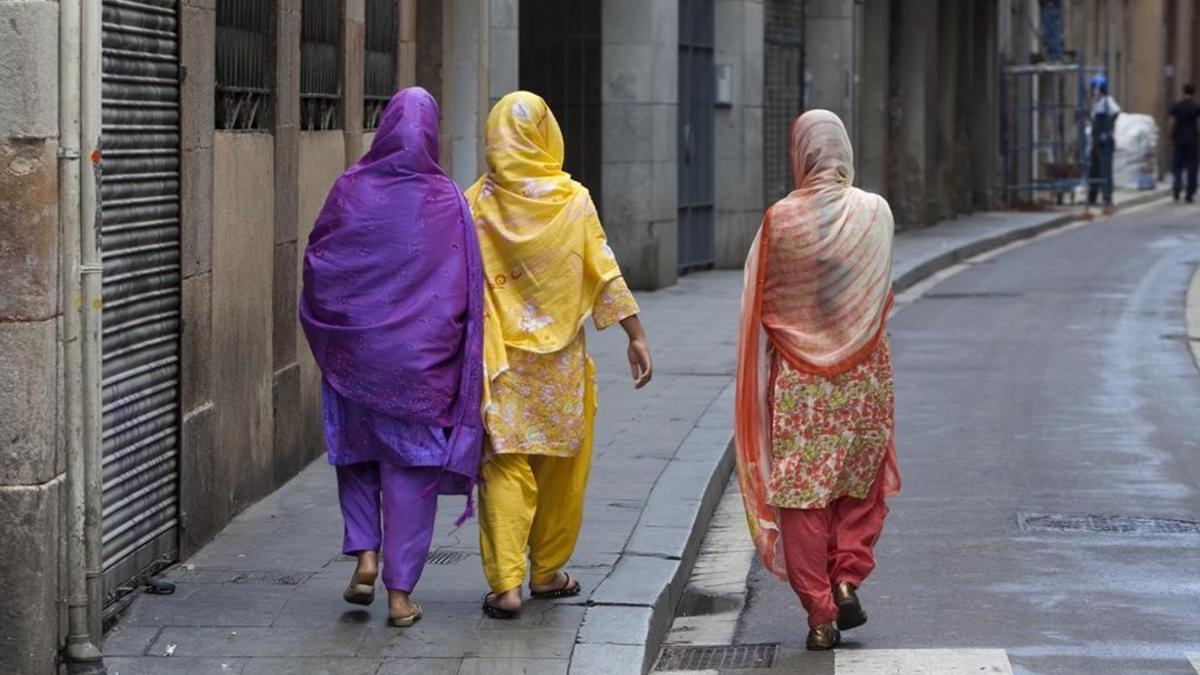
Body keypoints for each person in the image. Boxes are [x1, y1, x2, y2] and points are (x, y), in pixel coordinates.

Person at [298, 87, 484, 628]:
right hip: (420, 367)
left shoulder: (351, 188)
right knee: (410, 476)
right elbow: (465, 286)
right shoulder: (447, 198)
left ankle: (364, 555)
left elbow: (320, 259)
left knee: (355, 456)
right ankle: (401, 596)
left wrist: (344, 325)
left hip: (354, 356)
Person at [465, 91, 653, 619]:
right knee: (560, 469)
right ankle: (546, 572)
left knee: (505, 465)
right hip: (560, 365)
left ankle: (505, 587)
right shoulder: (572, 200)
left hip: (499, 363)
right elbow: (604, 268)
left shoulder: (475, 202)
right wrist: (634, 334)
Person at [734, 110, 900, 651]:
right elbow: (881, 293)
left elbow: (765, 301)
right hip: (864, 375)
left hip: (800, 383)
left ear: (800, 153)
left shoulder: (780, 219)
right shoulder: (876, 212)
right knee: (858, 483)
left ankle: (821, 617)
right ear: (845, 152)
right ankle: (847, 577)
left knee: (804, 495)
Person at [1087, 74, 1121, 214]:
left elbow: (1116, 112)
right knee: (1094, 169)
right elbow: (1093, 119)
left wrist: (1107, 129)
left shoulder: (1107, 101)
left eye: (1093, 88)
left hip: (1105, 141)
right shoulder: (1095, 102)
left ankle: (1107, 198)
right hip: (1095, 139)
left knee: (1105, 169)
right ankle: (1092, 196)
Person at [1167, 83, 1200, 203]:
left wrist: (1170, 137)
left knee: (1177, 165)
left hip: (1179, 138)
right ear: (1193, 92)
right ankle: (1189, 193)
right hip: (1192, 139)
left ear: (1183, 91)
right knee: (1192, 166)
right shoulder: (1196, 106)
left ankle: (1177, 185)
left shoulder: (1177, 106)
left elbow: (1171, 122)